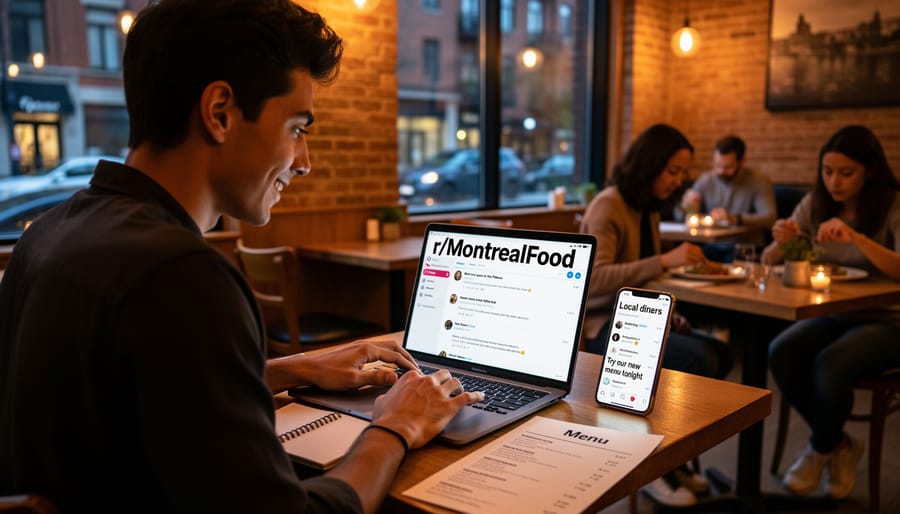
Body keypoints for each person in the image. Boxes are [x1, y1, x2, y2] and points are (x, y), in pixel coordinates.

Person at [0, 2, 483, 513]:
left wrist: (291, 368)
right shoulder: (179, 275)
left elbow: (130, 401)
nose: (304, 162)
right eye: (297, 128)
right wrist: (397, 424)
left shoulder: (50, 234)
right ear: (220, 113)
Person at [580, 123, 732, 507]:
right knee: (698, 360)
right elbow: (592, 279)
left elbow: (641, 281)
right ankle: (645, 460)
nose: (678, 181)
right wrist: (663, 260)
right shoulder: (609, 205)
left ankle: (668, 456)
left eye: (682, 172)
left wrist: (664, 314)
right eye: (673, 171)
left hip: (633, 320)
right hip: (600, 328)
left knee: (720, 353)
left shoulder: (645, 208)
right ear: (649, 165)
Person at [761, 125, 900, 499]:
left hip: (890, 321)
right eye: (827, 172)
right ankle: (839, 444)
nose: (834, 182)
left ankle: (819, 448)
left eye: (845, 173)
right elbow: (770, 261)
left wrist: (857, 238)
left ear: (870, 170)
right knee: (781, 351)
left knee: (830, 364)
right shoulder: (816, 203)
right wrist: (780, 242)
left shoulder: (893, 205)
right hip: (836, 314)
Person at [680, 135, 776, 261]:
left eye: (728, 167)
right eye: (717, 165)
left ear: (742, 162)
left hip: (745, 247)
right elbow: (683, 217)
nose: (721, 171)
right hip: (712, 245)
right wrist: (688, 207)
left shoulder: (758, 181)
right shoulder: (706, 179)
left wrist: (735, 218)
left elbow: (769, 218)